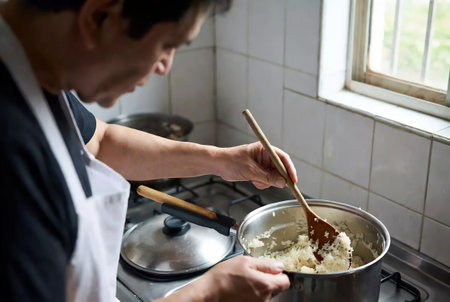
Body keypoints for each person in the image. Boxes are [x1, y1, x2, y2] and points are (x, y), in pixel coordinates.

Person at [0, 0, 297, 301]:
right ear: (100, 17)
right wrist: (210, 292)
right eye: (166, 45)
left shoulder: (31, 70)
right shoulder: (11, 145)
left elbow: (100, 142)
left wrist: (223, 161)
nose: (164, 67)